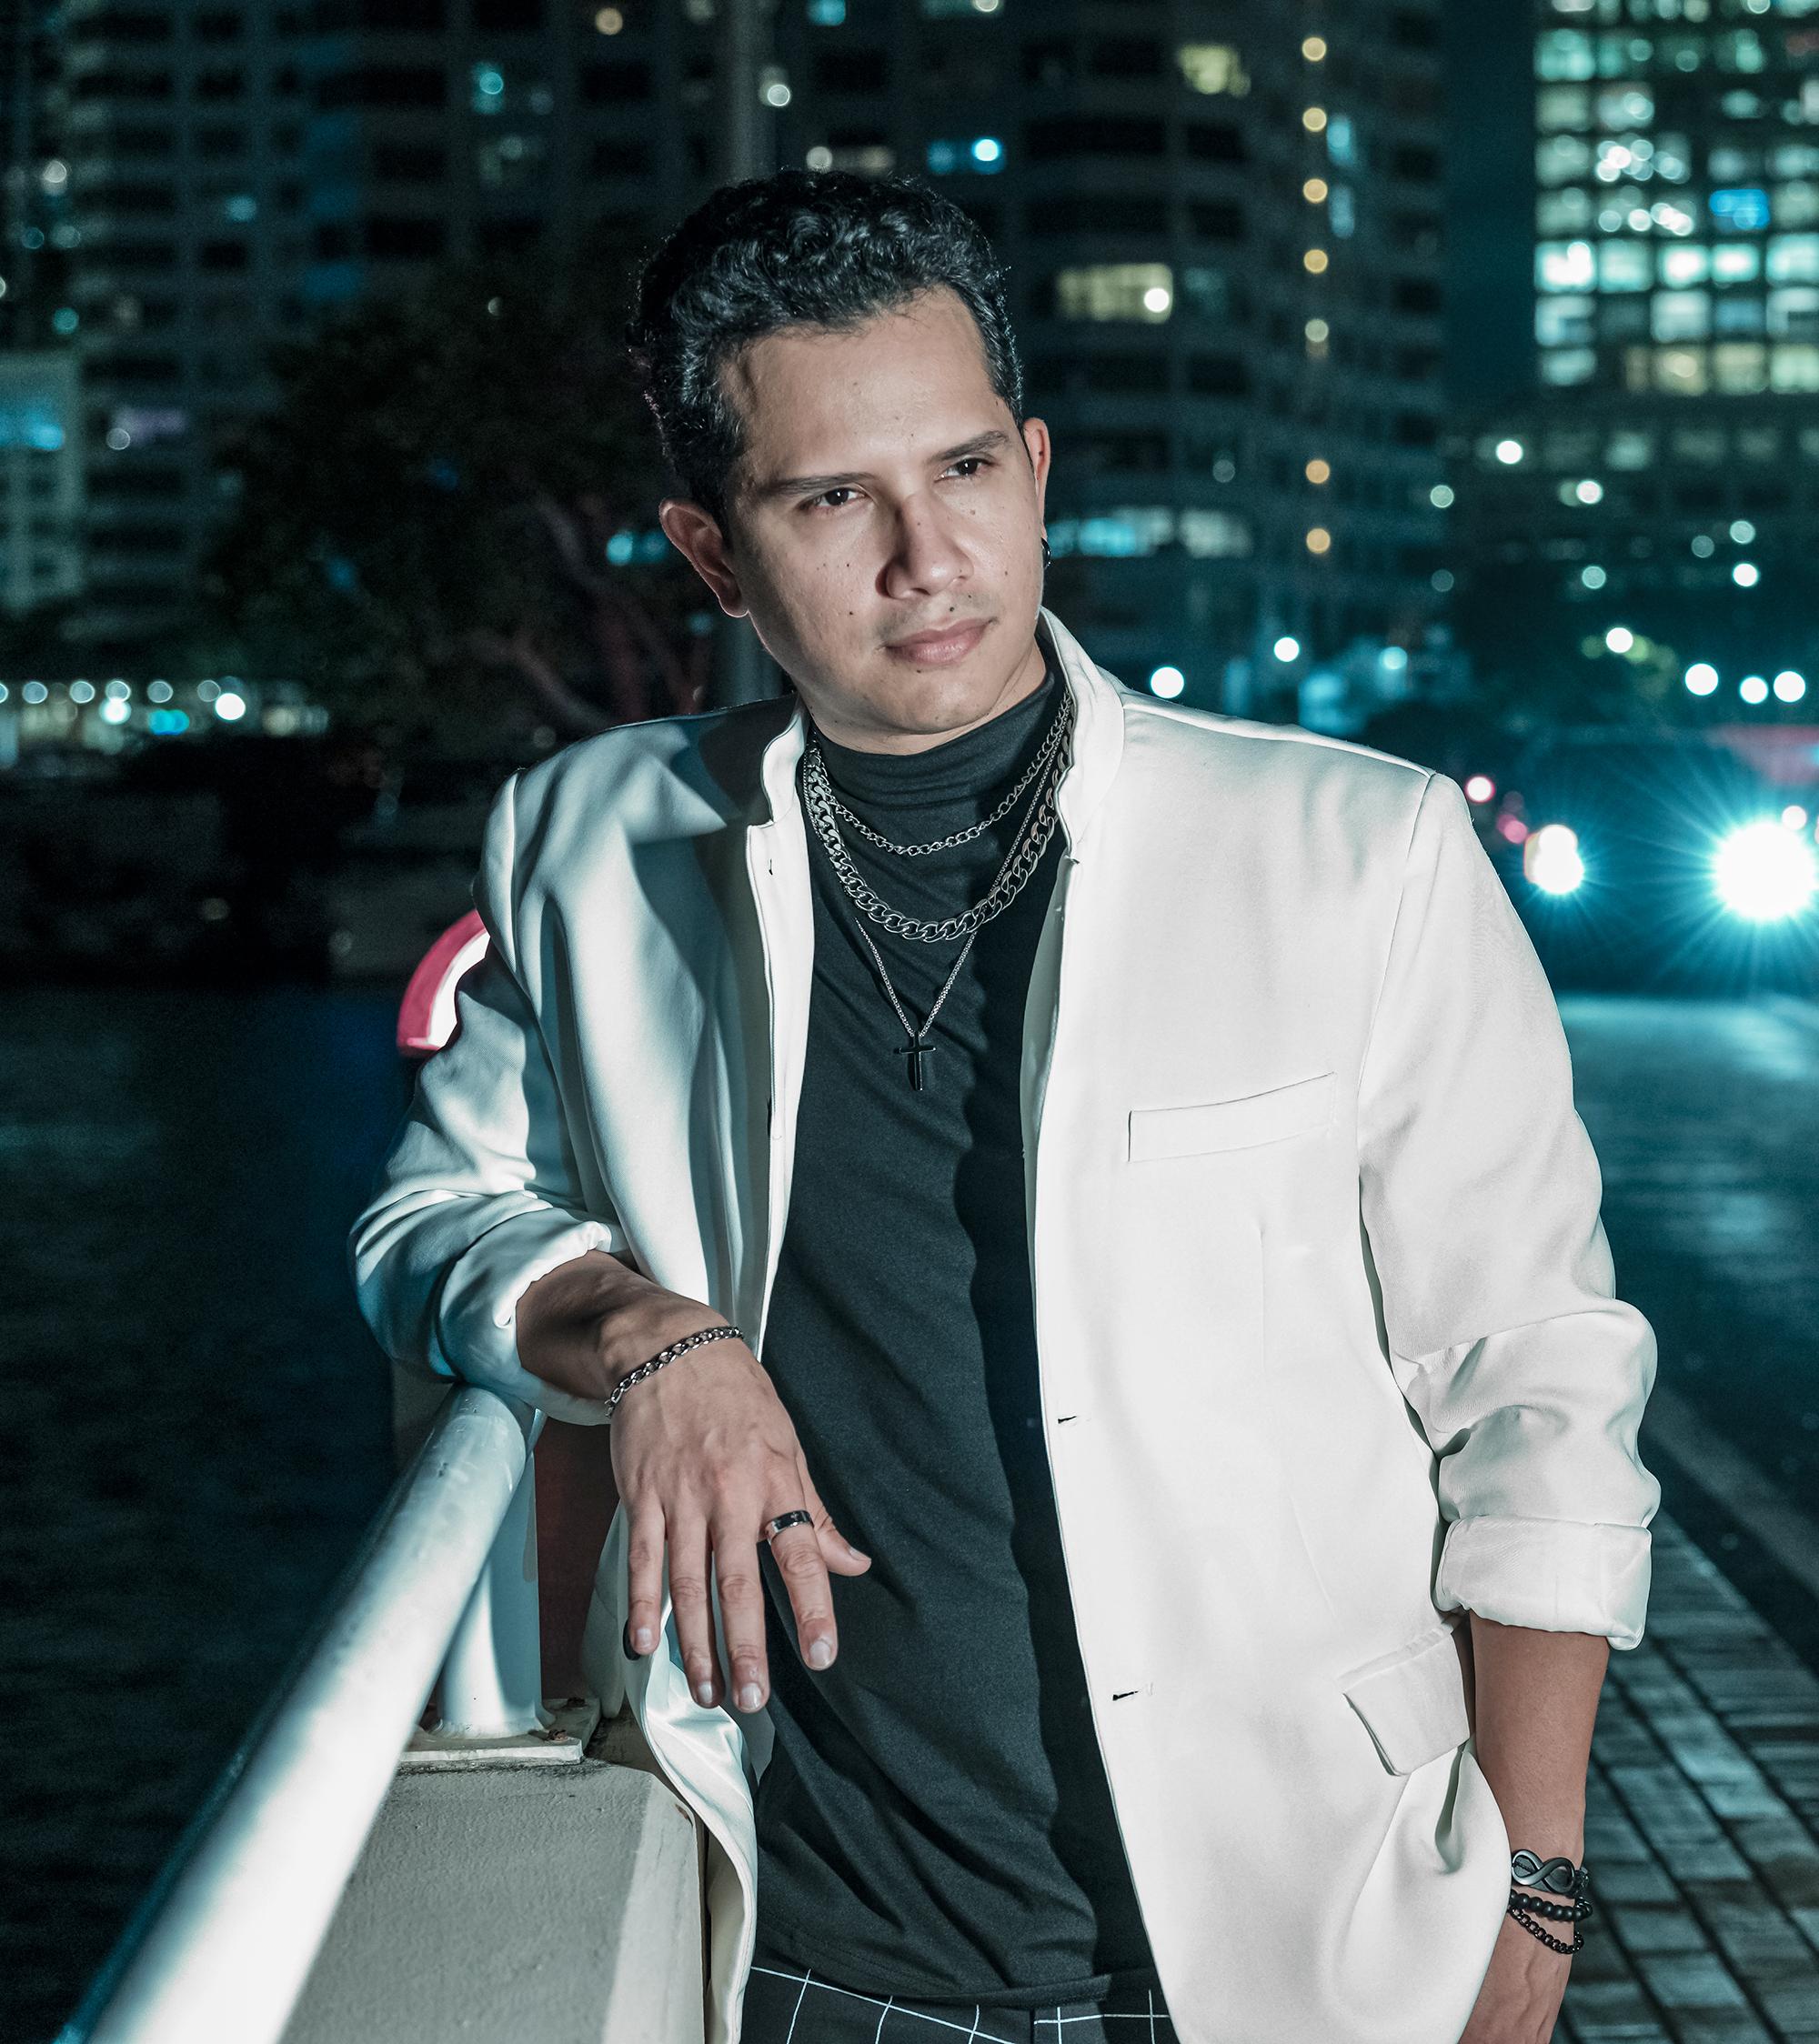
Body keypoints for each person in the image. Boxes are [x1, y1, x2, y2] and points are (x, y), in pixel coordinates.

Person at [352, 173, 1656, 2044]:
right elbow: (429, 1220)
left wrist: (1534, 1884)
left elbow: (1533, 1379)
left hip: (1290, 1938)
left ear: (1034, 468)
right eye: (830, 501)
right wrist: (650, 1341)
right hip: (812, 1952)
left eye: (964, 469)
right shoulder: (592, 837)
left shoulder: (1353, 851)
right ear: (715, 554)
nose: (926, 558)